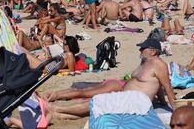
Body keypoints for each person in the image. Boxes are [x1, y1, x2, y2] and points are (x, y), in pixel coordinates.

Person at [45, 38, 176, 120]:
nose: (140, 50)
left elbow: (167, 87)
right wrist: (162, 103)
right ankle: (59, 115)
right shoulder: (145, 63)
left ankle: (57, 109)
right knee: (96, 107)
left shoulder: (159, 64)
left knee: (95, 103)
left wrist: (174, 109)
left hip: (134, 102)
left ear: (153, 51)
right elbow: (158, 86)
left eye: (143, 48)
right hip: (125, 96)